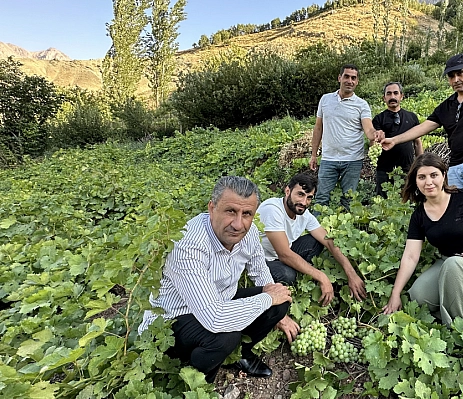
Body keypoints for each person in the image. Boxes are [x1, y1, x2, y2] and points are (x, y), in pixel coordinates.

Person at [139, 176, 300, 382]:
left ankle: (240, 355)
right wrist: (267, 299)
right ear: (212, 208)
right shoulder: (188, 245)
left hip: (218, 302)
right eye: (230, 211)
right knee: (226, 336)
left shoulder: (247, 232)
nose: (238, 224)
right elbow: (214, 318)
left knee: (279, 302)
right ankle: (198, 380)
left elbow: (260, 271)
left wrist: (277, 309)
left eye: (247, 214)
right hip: (173, 320)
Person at [382, 153, 463, 325]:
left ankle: (458, 329)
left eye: (434, 175)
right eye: (422, 177)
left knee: (454, 265)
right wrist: (395, 294)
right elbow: (411, 256)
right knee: (417, 297)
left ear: (444, 175)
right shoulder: (419, 215)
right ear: (416, 181)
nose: (428, 182)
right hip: (449, 263)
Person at [381, 54, 463, 201]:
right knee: (457, 211)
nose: (456, 79)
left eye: (459, 73)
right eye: (451, 76)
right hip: (456, 167)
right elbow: (424, 127)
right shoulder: (447, 105)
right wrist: (394, 140)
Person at [256, 173, 367, 305]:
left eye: (309, 198)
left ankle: (301, 271)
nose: (304, 202)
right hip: (262, 259)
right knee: (287, 275)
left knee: (316, 242)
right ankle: (294, 278)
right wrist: (322, 277)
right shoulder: (272, 210)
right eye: (300, 194)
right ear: (287, 191)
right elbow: (284, 254)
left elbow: (329, 242)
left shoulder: (304, 214)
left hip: (283, 253)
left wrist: (351, 273)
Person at [309, 63, 382, 209]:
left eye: (353, 78)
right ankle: (316, 230)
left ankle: (345, 229)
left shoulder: (362, 104)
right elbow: (318, 128)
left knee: (349, 198)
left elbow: (368, 127)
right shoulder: (325, 99)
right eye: (347, 76)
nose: (350, 81)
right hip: (328, 158)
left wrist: (375, 134)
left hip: (352, 159)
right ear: (339, 78)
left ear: (357, 81)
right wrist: (314, 154)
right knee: (321, 198)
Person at [372, 82, 423, 197]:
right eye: (389, 94)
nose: (392, 97)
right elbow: (373, 144)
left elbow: (417, 143)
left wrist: (421, 165)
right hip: (384, 171)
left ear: (401, 96)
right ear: (384, 98)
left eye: (396, 93)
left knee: (408, 201)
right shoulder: (378, 119)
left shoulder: (412, 117)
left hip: (407, 169)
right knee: (384, 204)